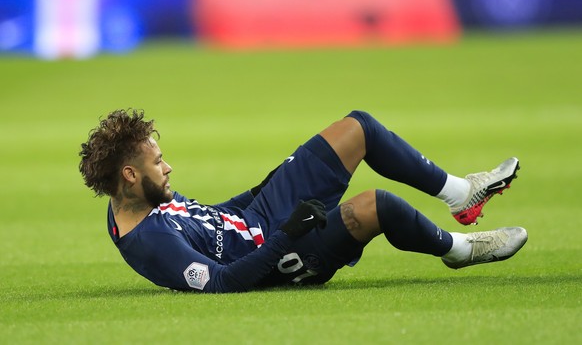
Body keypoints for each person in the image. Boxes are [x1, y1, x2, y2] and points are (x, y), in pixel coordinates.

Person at [79, 109, 527, 293]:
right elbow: (222, 283)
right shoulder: (151, 241)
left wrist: (263, 189)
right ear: (131, 175)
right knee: (376, 206)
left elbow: (214, 220)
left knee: (358, 128)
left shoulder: (137, 202)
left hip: (257, 218)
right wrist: (288, 231)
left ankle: (461, 194)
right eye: (159, 162)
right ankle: (462, 250)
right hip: (272, 255)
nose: (169, 167)